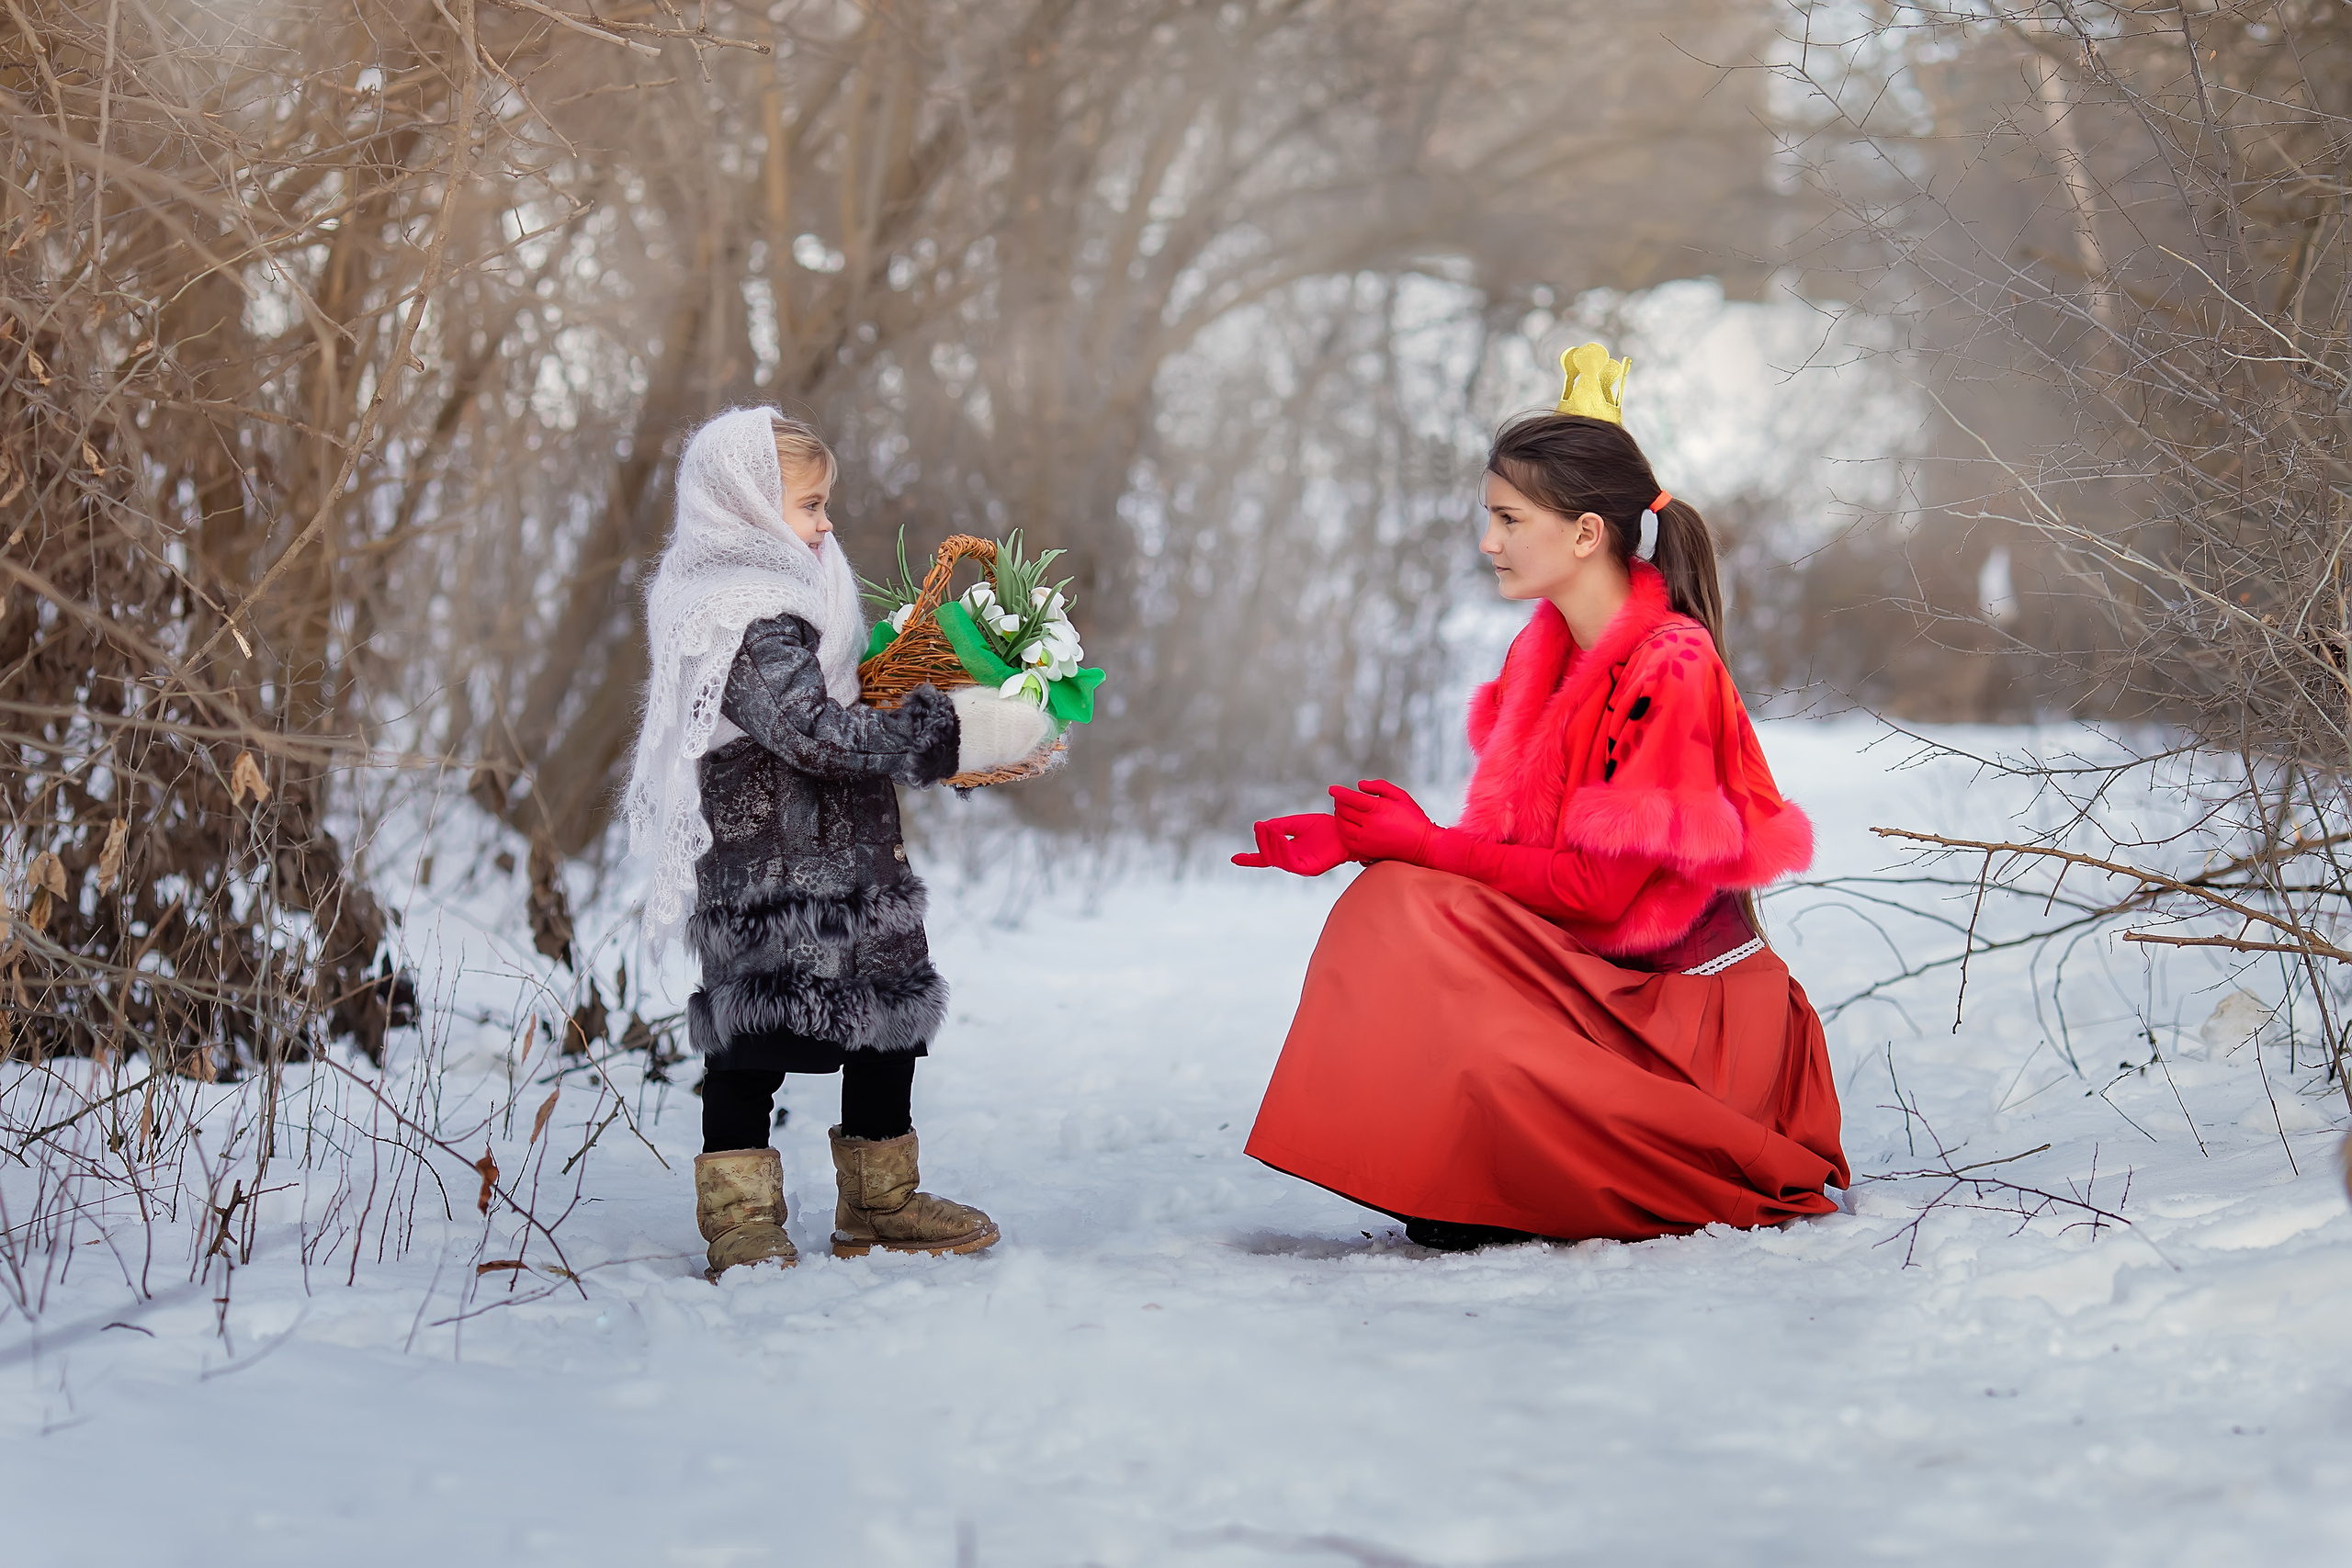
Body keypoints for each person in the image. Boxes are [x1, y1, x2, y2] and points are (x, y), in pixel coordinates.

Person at [1233, 344, 1849, 1250]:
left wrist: (1421, 844)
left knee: (1410, 895)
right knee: (1393, 902)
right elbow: (1528, 872)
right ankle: (1468, 1168)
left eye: (1508, 518)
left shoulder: (1670, 664)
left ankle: (1501, 1171)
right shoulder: (1540, 652)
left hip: (1689, 1028)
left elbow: (1595, 893)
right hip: (1602, 986)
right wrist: (1370, 839)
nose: (1488, 541)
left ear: (1586, 533)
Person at [624, 407, 1055, 1275]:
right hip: (767, 857)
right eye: (810, 505)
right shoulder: (734, 613)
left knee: (886, 1022)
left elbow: (841, 699)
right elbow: (813, 730)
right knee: (751, 1042)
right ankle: (741, 1217)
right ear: (743, 504)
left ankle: (879, 1199)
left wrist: (922, 684)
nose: (826, 524)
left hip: (849, 849)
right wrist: (944, 735)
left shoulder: (803, 589)